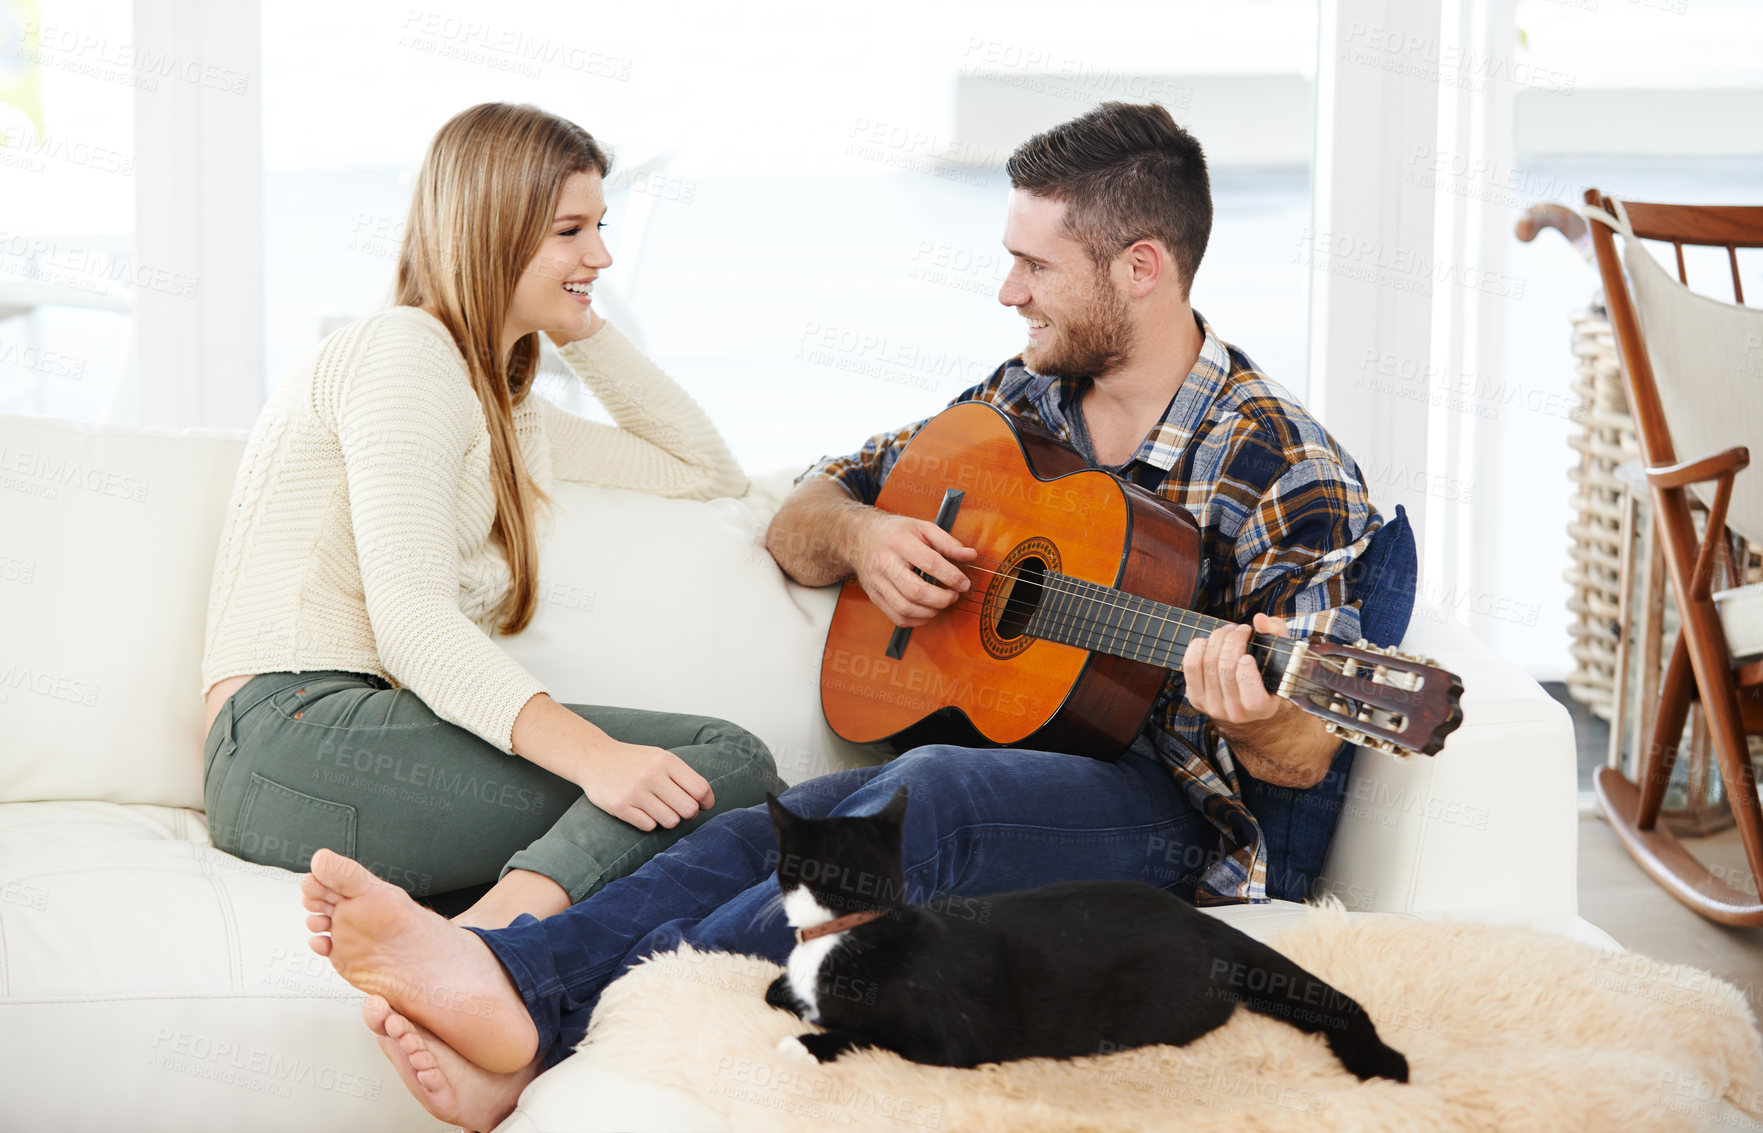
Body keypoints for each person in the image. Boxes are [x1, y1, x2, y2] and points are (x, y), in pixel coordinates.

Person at [298, 100, 1414, 1130]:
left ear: (1140, 268)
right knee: (760, 827)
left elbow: (1305, 749)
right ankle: (523, 998)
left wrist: (1256, 707)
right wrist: (866, 537)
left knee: (925, 798)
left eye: (1033, 264)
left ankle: (525, 1004)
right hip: (1016, 763)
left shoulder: (1283, 464)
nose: (1007, 292)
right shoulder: (1019, 402)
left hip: (1174, 814)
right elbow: (802, 511)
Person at [199, 101, 786, 934]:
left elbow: (702, 470)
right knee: (721, 764)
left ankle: (490, 972)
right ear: (491, 231)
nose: (602, 253)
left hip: (341, 751)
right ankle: (489, 938)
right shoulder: (403, 350)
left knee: (702, 828)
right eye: (570, 231)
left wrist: (575, 321)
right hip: (291, 736)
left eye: (601, 227)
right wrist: (597, 759)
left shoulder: (506, 410)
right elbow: (409, 622)